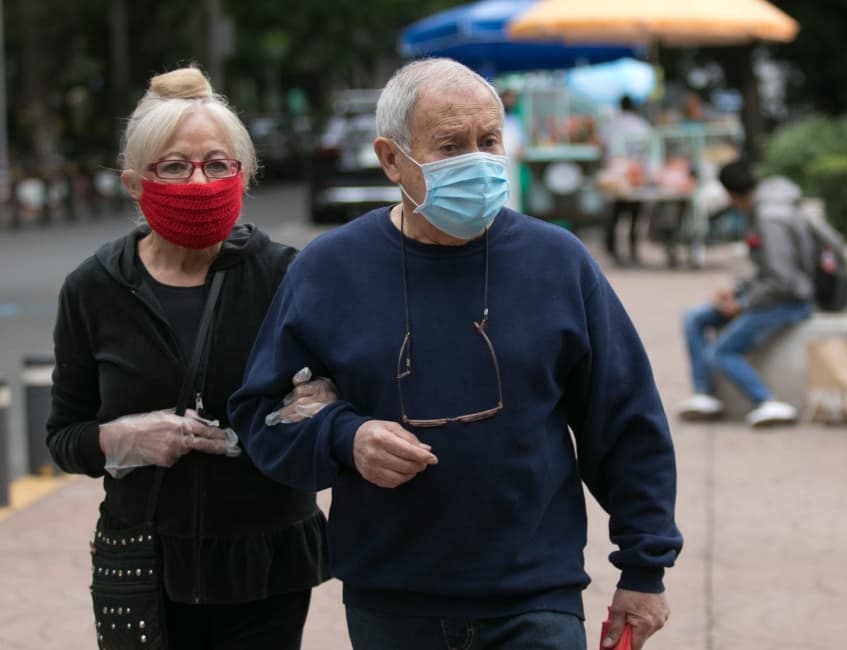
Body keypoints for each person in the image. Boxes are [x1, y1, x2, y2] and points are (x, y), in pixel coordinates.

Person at [229, 58, 682, 650]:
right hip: (391, 601)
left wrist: (644, 568)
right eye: (450, 146)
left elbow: (625, 420)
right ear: (391, 159)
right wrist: (344, 437)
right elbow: (262, 413)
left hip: (535, 596)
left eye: (488, 141)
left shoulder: (558, 263)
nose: (478, 161)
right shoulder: (329, 270)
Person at [46, 66, 334, 649]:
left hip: (266, 567)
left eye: (218, 164)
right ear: (135, 183)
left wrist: (320, 407)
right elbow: (64, 438)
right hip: (146, 567)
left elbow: (340, 404)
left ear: (243, 173)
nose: (200, 181)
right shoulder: (94, 288)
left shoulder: (287, 275)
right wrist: (125, 438)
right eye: (175, 166)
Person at [676, 160, 814, 427]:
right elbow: (770, 272)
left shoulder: (769, 217)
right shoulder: (762, 207)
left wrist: (743, 303)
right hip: (769, 295)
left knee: (721, 352)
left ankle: (767, 401)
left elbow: (783, 281)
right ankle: (703, 395)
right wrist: (738, 292)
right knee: (694, 318)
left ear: (730, 195)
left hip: (788, 301)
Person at [599, 95, 654, 265]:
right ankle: (633, 251)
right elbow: (649, 149)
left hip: (617, 177)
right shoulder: (642, 125)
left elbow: (602, 145)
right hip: (636, 176)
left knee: (615, 214)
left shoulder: (611, 125)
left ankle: (613, 251)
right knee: (635, 215)